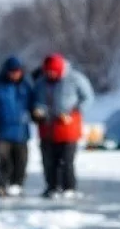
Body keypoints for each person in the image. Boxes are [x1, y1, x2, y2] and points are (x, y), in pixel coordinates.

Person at [31, 53, 95, 198]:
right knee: (48, 161)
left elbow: (88, 98)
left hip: (68, 128)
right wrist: (37, 111)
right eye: (48, 72)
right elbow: (36, 100)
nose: (50, 74)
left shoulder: (75, 79)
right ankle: (52, 187)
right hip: (47, 128)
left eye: (53, 71)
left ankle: (69, 188)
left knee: (66, 161)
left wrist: (74, 113)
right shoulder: (41, 82)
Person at [0, 56, 34, 197]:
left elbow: (33, 104)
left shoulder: (25, 86)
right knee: (2, 162)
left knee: (21, 162)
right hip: (1, 132)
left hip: (21, 132)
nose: (15, 74)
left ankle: (17, 185)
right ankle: (1, 185)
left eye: (18, 71)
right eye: (12, 71)